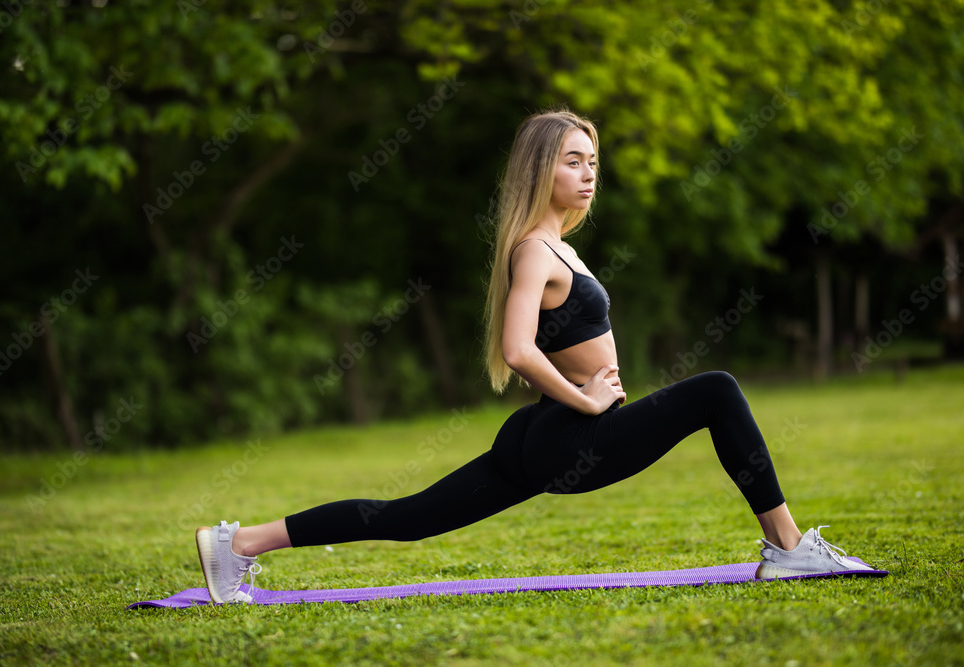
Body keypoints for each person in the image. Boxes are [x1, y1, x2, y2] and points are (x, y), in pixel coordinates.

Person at [195, 109, 871, 604]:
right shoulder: (533, 251)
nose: (588, 173)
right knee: (716, 391)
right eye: (573, 160)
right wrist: (587, 400)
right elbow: (517, 348)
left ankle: (239, 543)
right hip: (569, 434)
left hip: (544, 434)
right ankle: (788, 548)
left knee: (405, 517)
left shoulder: (558, 247)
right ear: (539, 169)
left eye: (592, 161)